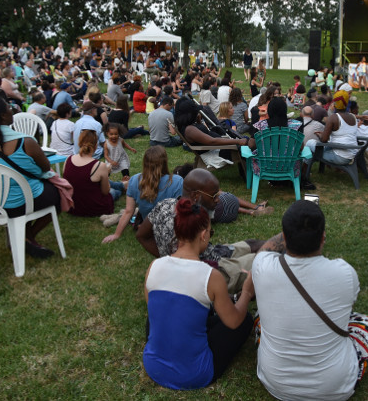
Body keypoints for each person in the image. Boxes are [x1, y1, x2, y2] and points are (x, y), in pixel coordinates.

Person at [253, 200, 368, 400]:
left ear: (284, 237)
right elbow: (348, 311)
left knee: (260, 315)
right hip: (334, 387)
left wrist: (293, 228)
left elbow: (265, 249)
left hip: (275, 382)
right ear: (323, 237)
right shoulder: (344, 273)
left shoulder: (262, 266)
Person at [142, 197, 254, 390]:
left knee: (165, 310)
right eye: (210, 231)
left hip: (153, 366)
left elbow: (155, 315)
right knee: (244, 320)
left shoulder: (154, 266)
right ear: (203, 235)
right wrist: (246, 292)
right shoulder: (211, 276)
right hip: (194, 374)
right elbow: (234, 321)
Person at [137, 168, 274, 293]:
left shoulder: (165, 205)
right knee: (263, 259)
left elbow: (142, 235)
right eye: (214, 195)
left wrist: (164, 257)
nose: (218, 200)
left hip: (213, 254)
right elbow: (142, 236)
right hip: (212, 272)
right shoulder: (194, 222)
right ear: (196, 196)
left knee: (253, 244)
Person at [0, 96, 60, 259]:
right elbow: (45, 168)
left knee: (24, 190)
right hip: (19, 203)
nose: (12, 108)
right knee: (58, 194)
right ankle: (27, 237)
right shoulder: (24, 142)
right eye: (8, 107)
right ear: (3, 116)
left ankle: (21, 237)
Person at [103, 146, 183, 244]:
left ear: (144, 162)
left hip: (148, 229)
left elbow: (128, 211)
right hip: (169, 230)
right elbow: (180, 212)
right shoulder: (177, 181)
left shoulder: (134, 180)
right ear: (165, 162)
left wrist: (117, 234)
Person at [301, 89, 358, 190]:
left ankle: (303, 174)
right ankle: (306, 172)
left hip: (339, 156)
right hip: (352, 152)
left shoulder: (334, 117)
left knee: (310, 144)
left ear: (336, 103)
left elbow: (324, 140)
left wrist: (321, 135)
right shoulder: (353, 117)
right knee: (312, 147)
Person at [63, 130, 124, 217]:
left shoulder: (68, 160)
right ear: (96, 145)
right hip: (92, 207)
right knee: (114, 191)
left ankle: (122, 185)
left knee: (96, 180)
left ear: (79, 143)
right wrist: (106, 172)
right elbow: (105, 191)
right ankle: (122, 187)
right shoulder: (99, 165)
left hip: (72, 206)